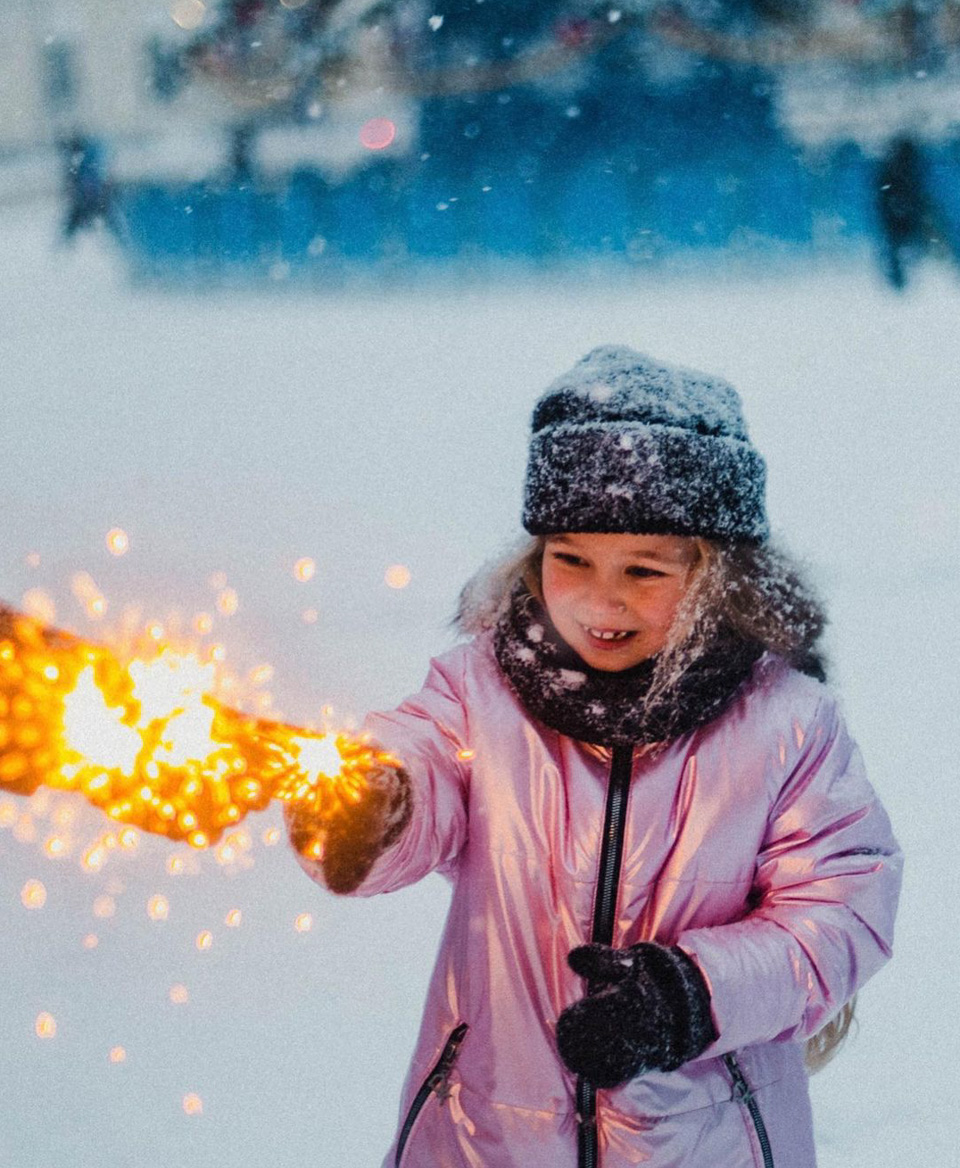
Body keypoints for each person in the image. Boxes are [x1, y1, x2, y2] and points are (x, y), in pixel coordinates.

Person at [286, 345, 902, 1168]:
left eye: (644, 570)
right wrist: (377, 805)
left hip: (706, 1137)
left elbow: (841, 911)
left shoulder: (788, 723)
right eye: (569, 557)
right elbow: (423, 760)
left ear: (720, 579)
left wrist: (690, 996)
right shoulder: (480, 688)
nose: (600, 598)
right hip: (487, 1133)